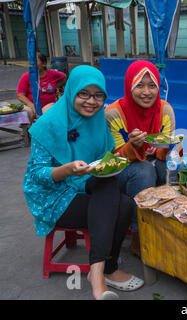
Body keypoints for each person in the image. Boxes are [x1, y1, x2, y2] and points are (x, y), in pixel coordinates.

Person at [23, 65, 144, 300]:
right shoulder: (48, 124)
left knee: (123, 201)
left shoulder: (99, 121)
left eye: (99, 95)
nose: (92, 102)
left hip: (85, 184)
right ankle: (101, 274)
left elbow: (104, 159)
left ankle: (100, 270)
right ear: (70, 92)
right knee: (117, 204)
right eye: (84, 94)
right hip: (53, 197)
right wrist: (67, 169)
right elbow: (37, 175)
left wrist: (128, 150)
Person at [105, 60, 180, 257]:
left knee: (173, 167)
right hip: (121, 172)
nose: (146, 92)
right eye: (139, 85)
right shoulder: (114, 113)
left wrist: (170, 145)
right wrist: (133, 146)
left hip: (151, 162)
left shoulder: (165, 110)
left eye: (152, 85)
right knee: (143, 170)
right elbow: (115, 157)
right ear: (129, 86)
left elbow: (163, 152)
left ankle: (170, 227)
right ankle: (139, 236)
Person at [16, 52, 66, 121]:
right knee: (27, 112)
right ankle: (29, 130)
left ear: (44, 63)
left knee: (48, 112)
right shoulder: (26, 76)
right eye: (31, 61)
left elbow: (63, 76)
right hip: (31, 106)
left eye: (35, 61)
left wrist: (55, 85)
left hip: (49, 105)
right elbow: (20, 95)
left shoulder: (53, 74)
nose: (32, 64)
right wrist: (31, 106)